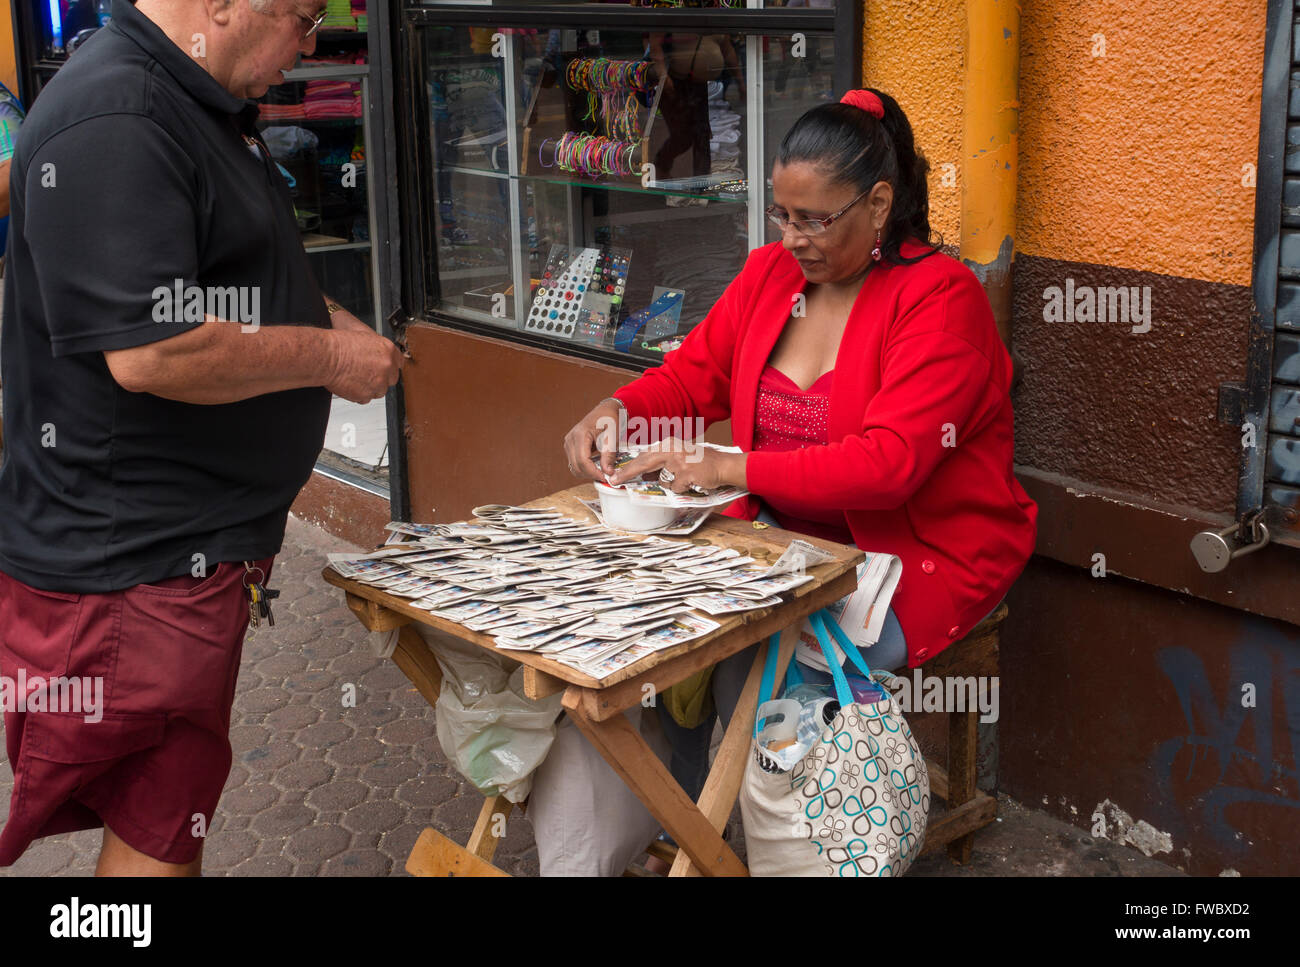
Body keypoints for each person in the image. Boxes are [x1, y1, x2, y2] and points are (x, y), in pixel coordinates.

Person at [558, 88, 1037, 869]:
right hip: (779, 540)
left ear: (879, 204)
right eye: (783, 215)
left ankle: (788, 842)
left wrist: (728, 465)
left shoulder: (940, 299)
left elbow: (888, 468)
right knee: (661, 645)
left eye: (816, 218)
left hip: (916, 556)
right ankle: (680, 832)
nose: (795, 238)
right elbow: (692, 378)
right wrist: (617, 408)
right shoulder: (769, 276)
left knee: (770, 682)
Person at [0, 0, 403, 875]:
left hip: (169, 560)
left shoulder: (190, 100)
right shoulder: (120, 115)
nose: (308, 47)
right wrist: (333, 356)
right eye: (302, 18)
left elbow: (223, 290)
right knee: (153, 828)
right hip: (130, 568)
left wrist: (334, 322)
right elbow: (153, 350)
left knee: (160, 821)